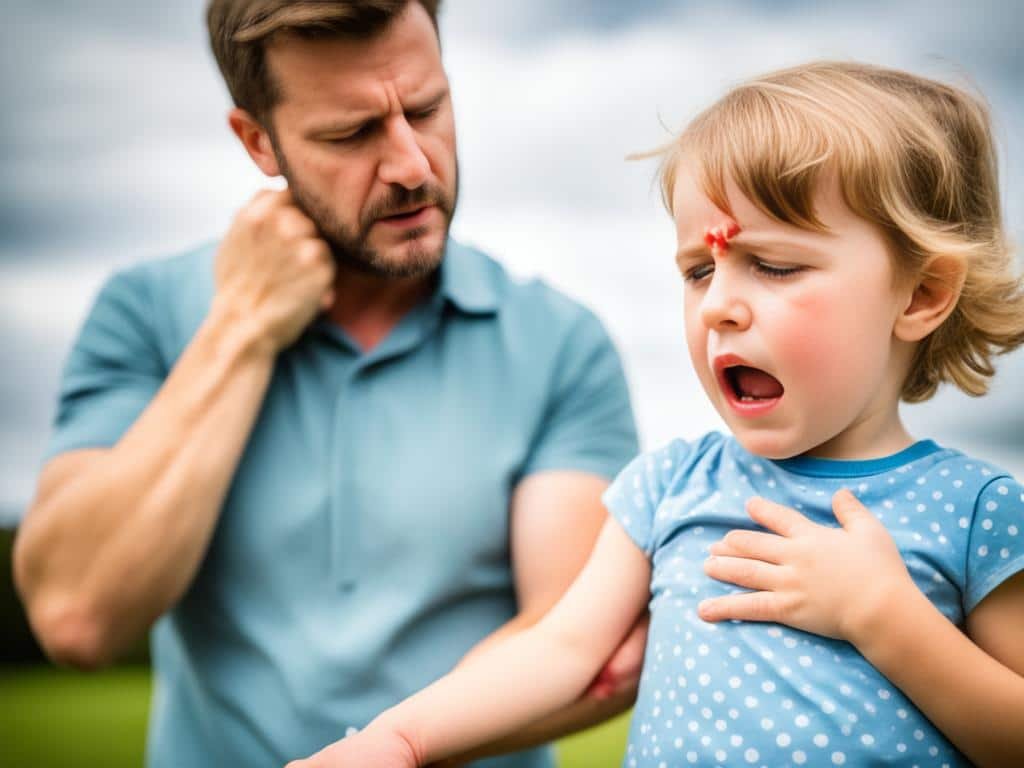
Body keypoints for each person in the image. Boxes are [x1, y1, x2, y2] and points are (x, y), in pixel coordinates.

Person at [288, 61, 1024, 768]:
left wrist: (887, 620)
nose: (719, 306)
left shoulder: (975, 513)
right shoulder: (673, 484)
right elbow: (561, 650)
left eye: (774, 265)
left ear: (922, 294)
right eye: (699, 271)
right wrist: (399, 740)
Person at [11, 2, 644, 767]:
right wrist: (241, 331)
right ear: (257, 141)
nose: (412, 165)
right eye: (350, 134)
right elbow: (78, 618)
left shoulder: (559, 342)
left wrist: (386, 752)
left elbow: (589, 650)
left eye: (427, 108)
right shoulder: (143, 312)